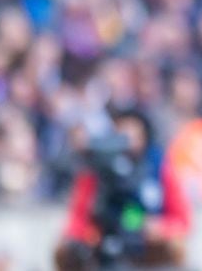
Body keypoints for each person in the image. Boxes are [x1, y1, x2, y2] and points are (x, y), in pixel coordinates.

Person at [55, 109, 191, 270]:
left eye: (134, 136)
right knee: (65, 251)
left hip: (143, 236)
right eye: (121, 136)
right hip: (100, 235)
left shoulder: (158, 168)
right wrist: (90, 234)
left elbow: (182, 221)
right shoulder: (96, 169)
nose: (127, 144)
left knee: (174, 245)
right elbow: (77, 221)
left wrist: (156, 227)